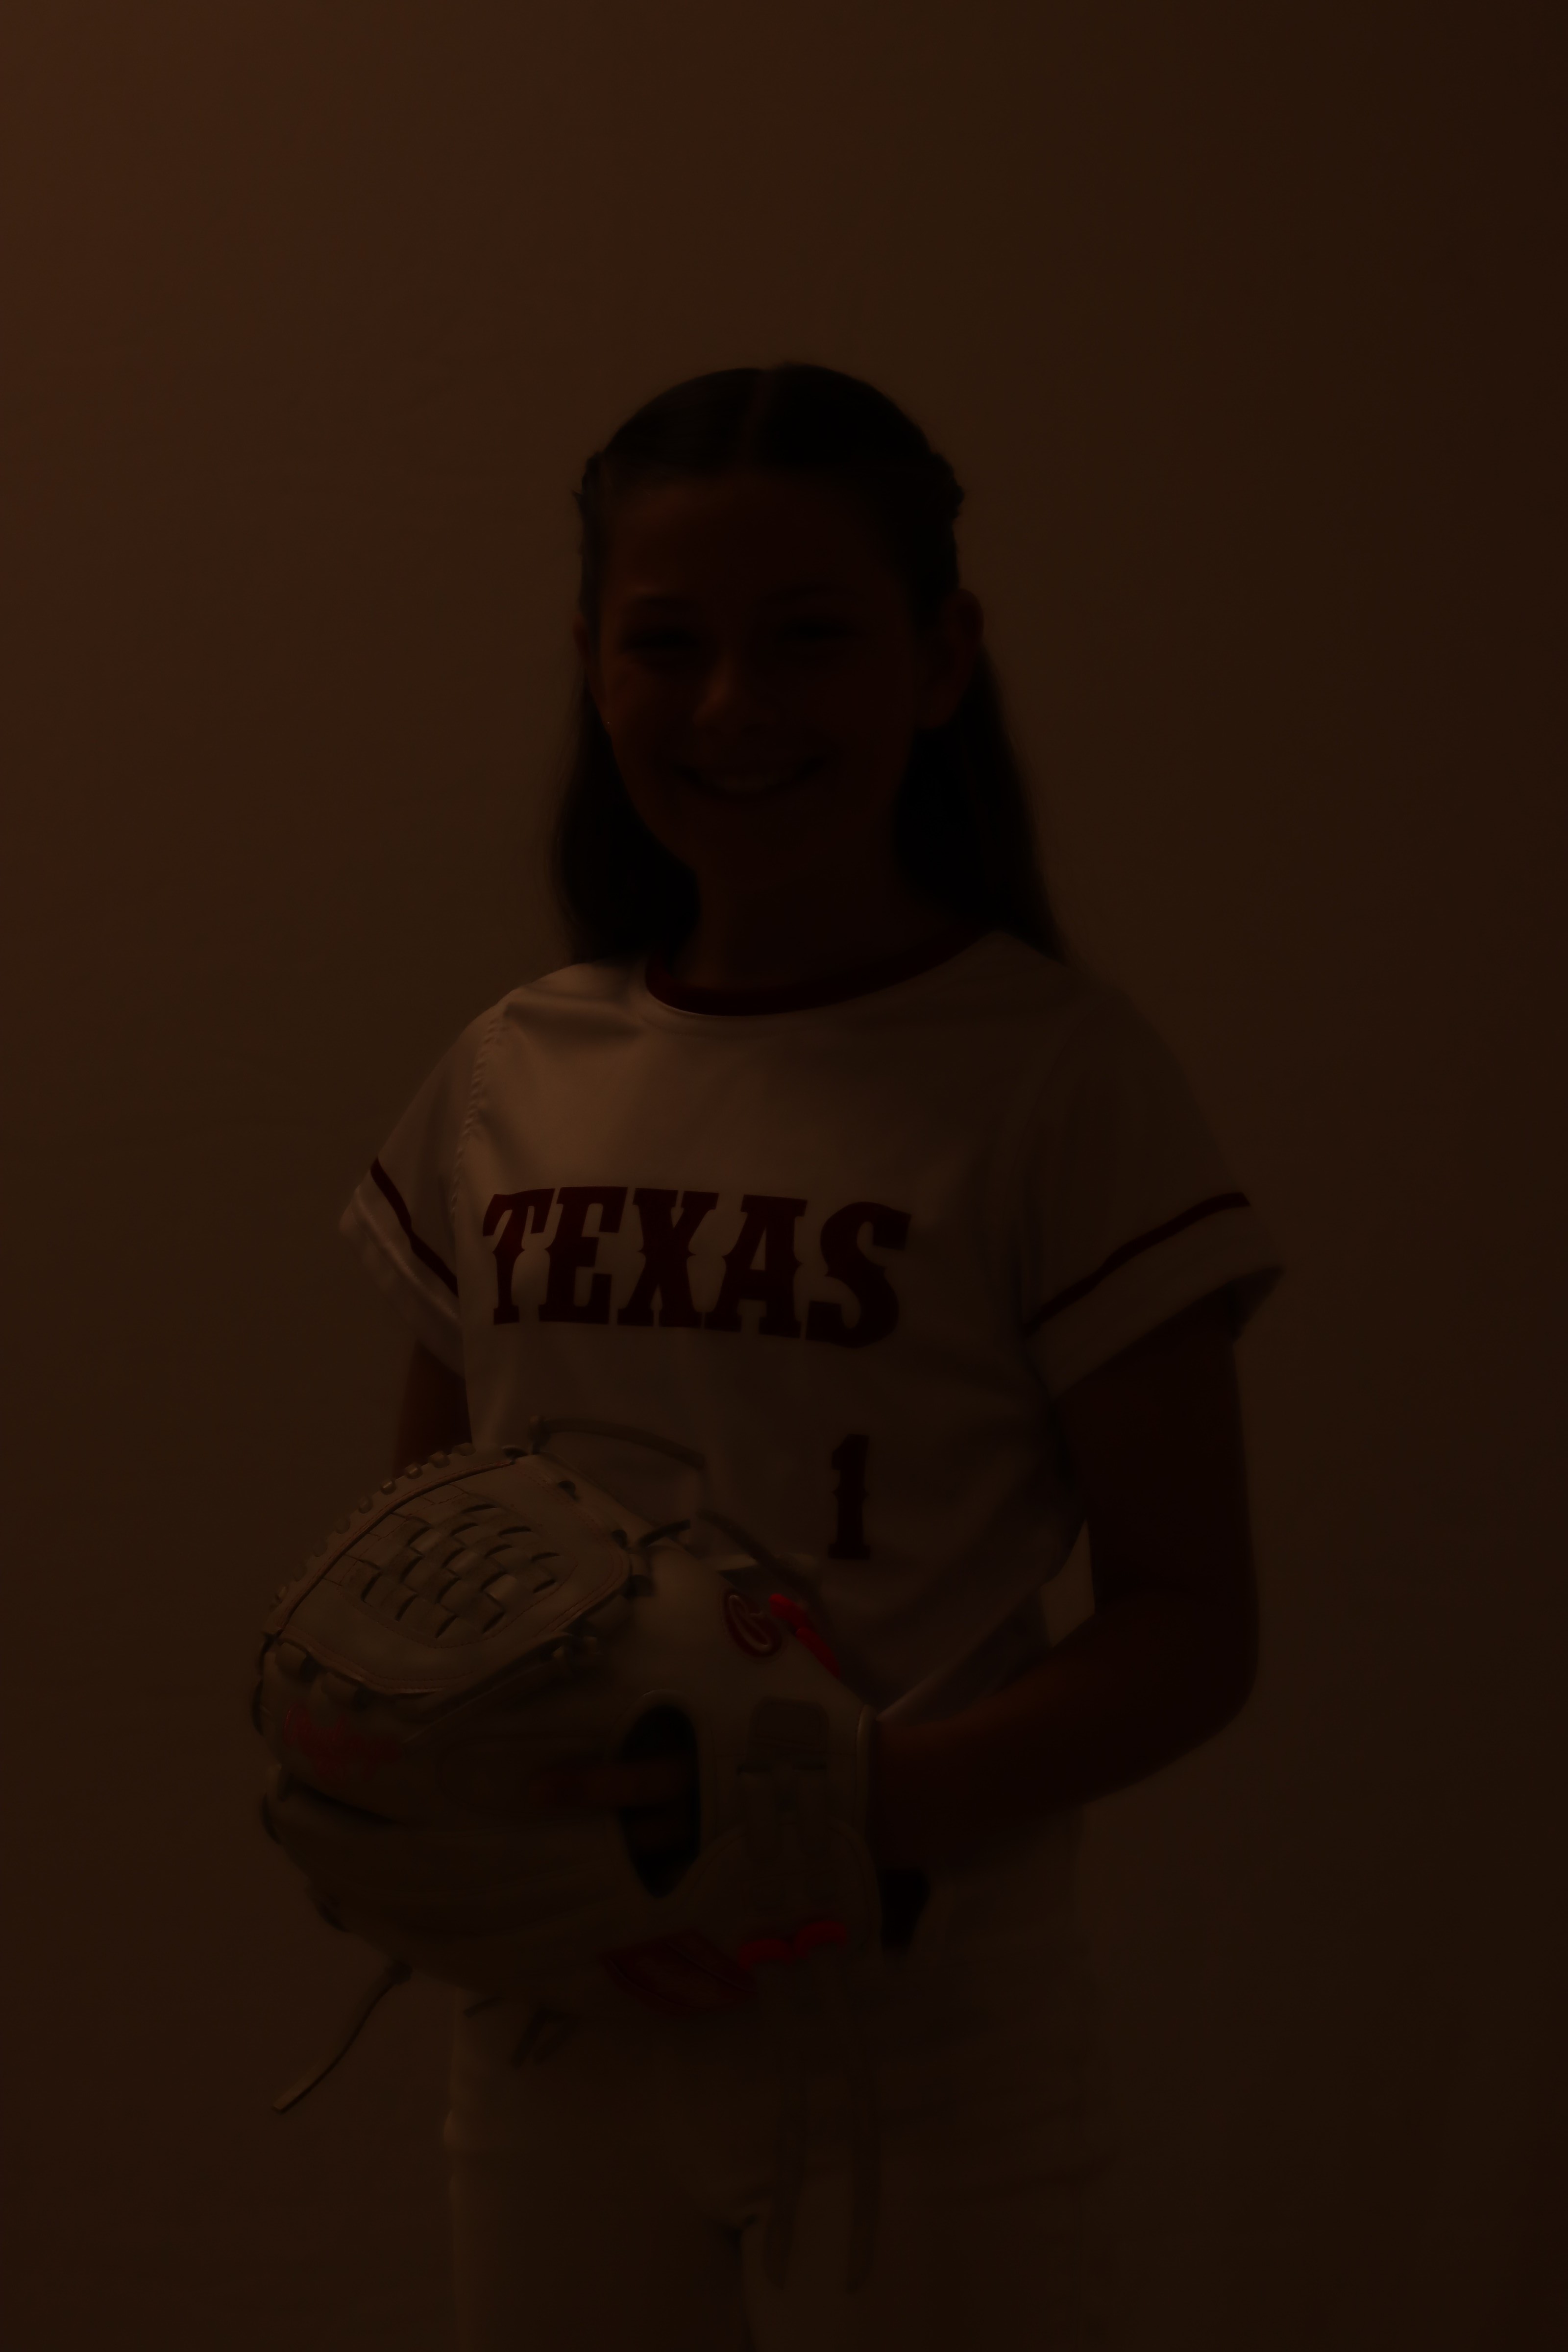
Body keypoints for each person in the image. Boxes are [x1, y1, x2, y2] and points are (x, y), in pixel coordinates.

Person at [339, 363, 1280, 2352]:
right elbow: (421, 1555)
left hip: (917, 2038)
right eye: (664, 642)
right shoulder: (510, 1071)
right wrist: (420, 1787)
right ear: (588, 664)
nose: (730, 706)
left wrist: (832, 1814)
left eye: (809, 637)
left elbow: (1192, 1619)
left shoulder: (1056, 1079)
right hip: (556, 2017)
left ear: (942, 659)